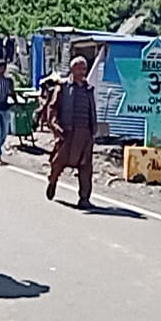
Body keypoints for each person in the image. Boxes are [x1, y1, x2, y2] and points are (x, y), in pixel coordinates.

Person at [44, 56, 97, 210]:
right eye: (79, 68)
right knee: (57, 163)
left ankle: (84, 198)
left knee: (86, 167)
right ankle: (52, 182)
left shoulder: (89, 89)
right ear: (72, 69)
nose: (82, 72)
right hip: (67, 133)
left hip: (85, 135)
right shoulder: (63, 87)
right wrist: (55, 126)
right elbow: (52, 109)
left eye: (84, 69)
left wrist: (93, 130)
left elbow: (91, 111)